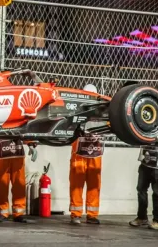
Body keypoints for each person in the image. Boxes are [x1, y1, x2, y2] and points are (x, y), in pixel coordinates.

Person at [69, 83, 104, 225]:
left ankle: (92, 214)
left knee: (94, 183)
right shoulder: (75, 108)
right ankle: (76, 214)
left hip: (95, 151)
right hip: (79, 150)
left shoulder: (102, 109)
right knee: (76, 183)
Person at [129, 132, 158, 230]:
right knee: (141, 189)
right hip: (146, 159)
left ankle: (157, 220)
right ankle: (142, 217)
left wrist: (153, 135)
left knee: (157, 192)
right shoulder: (145, 123)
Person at [0, 138, 38, 223]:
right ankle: (3, 212)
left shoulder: (18, 123)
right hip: (1, 158)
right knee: (1, 187)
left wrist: (31, 145)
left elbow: (25, 130)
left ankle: (19, 213)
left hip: (17, 157)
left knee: (19, 186)